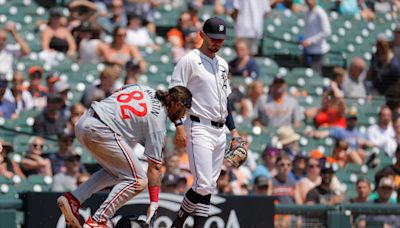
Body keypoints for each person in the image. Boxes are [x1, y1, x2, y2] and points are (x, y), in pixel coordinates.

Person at [57, 85, 192, 227]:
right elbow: (155, 167)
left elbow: (117, 91)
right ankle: (98, 221)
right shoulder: (158, 123)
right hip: (102, 129)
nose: (183, 115)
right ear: (177, 104)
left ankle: (74, 199)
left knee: (117, 173)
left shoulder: (144, 88)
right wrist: (154, 203)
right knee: (138, 180)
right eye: (184, 110)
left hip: (85, 121)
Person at [169, 17, 244, 228]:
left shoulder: (222, 64)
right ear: (201, 35)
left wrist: (235, 132)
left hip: (220, 130)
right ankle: (178, 224)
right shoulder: (189, 60)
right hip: (198, 126)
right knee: (202, 183)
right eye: (213, 38)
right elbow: (175, 96)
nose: (217, 42)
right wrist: (178, 126)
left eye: (220, 39)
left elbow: (226, 100)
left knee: (209, 185)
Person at [302, 0, 331, 75]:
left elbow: (327, 31)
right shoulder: (306, 11)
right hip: (308, 50)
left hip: (318, 51)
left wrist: (310, 41)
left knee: (316, 75)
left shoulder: (320, 12)